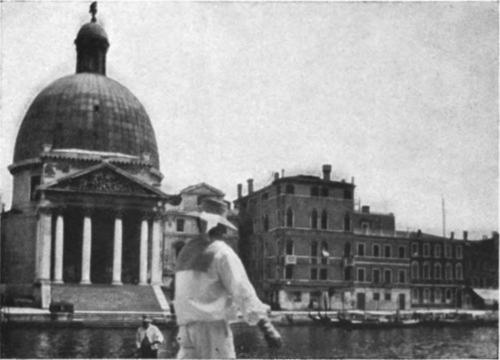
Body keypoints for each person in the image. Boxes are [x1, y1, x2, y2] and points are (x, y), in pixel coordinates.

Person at [174, 198, 282, 359]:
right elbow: (242, 291)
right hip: (212, 329)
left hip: (185, 329)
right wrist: (267, 327)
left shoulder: (186, 251)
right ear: (219, 225)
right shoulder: (222, 252)